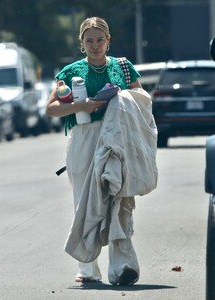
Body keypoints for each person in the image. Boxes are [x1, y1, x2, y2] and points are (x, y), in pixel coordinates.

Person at [46, 16, 157, 286]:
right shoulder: (70, 72)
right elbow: (51, 109)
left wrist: (120, 99)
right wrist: (82, 106)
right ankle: (88, 268)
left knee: (120, 198)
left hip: (118, 138)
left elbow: (142, 101)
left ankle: (122, 267)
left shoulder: (124, 67)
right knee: (84, 202)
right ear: (81, 43)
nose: (95, 45)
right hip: (84, 138)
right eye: (89, 41)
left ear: (108, 40)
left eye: (100, 40)